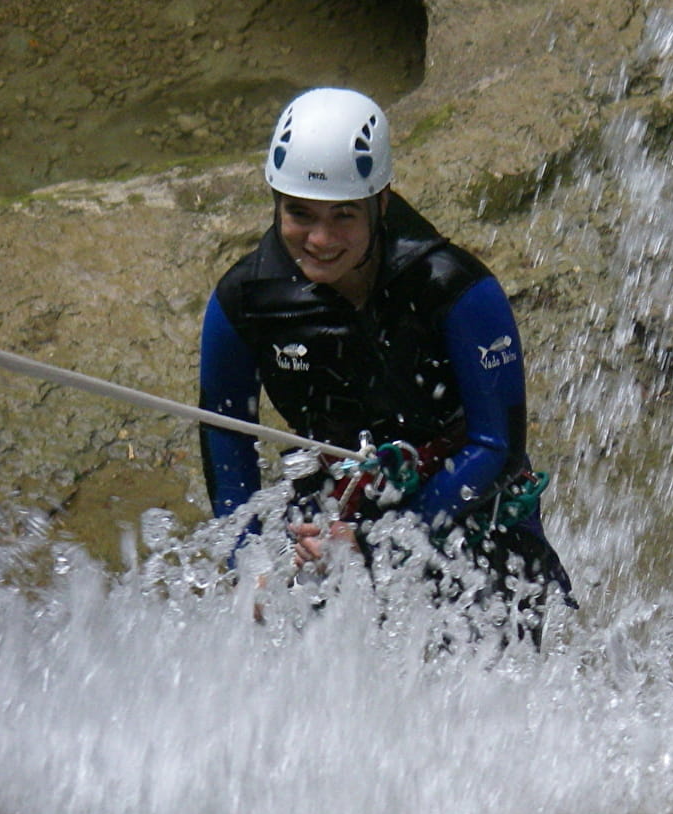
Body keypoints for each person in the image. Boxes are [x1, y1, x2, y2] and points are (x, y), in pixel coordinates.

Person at [199, 86, 571, 648]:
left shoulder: (456, 288)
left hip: (464, 497)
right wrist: (252, 561)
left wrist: (379, 545)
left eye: (343, 216)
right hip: (334, 500)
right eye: (299, 214)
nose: (320, 240)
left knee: (517, 640)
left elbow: (497, 445)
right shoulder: (244, 301)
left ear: (382, 202)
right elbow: (226, 442)